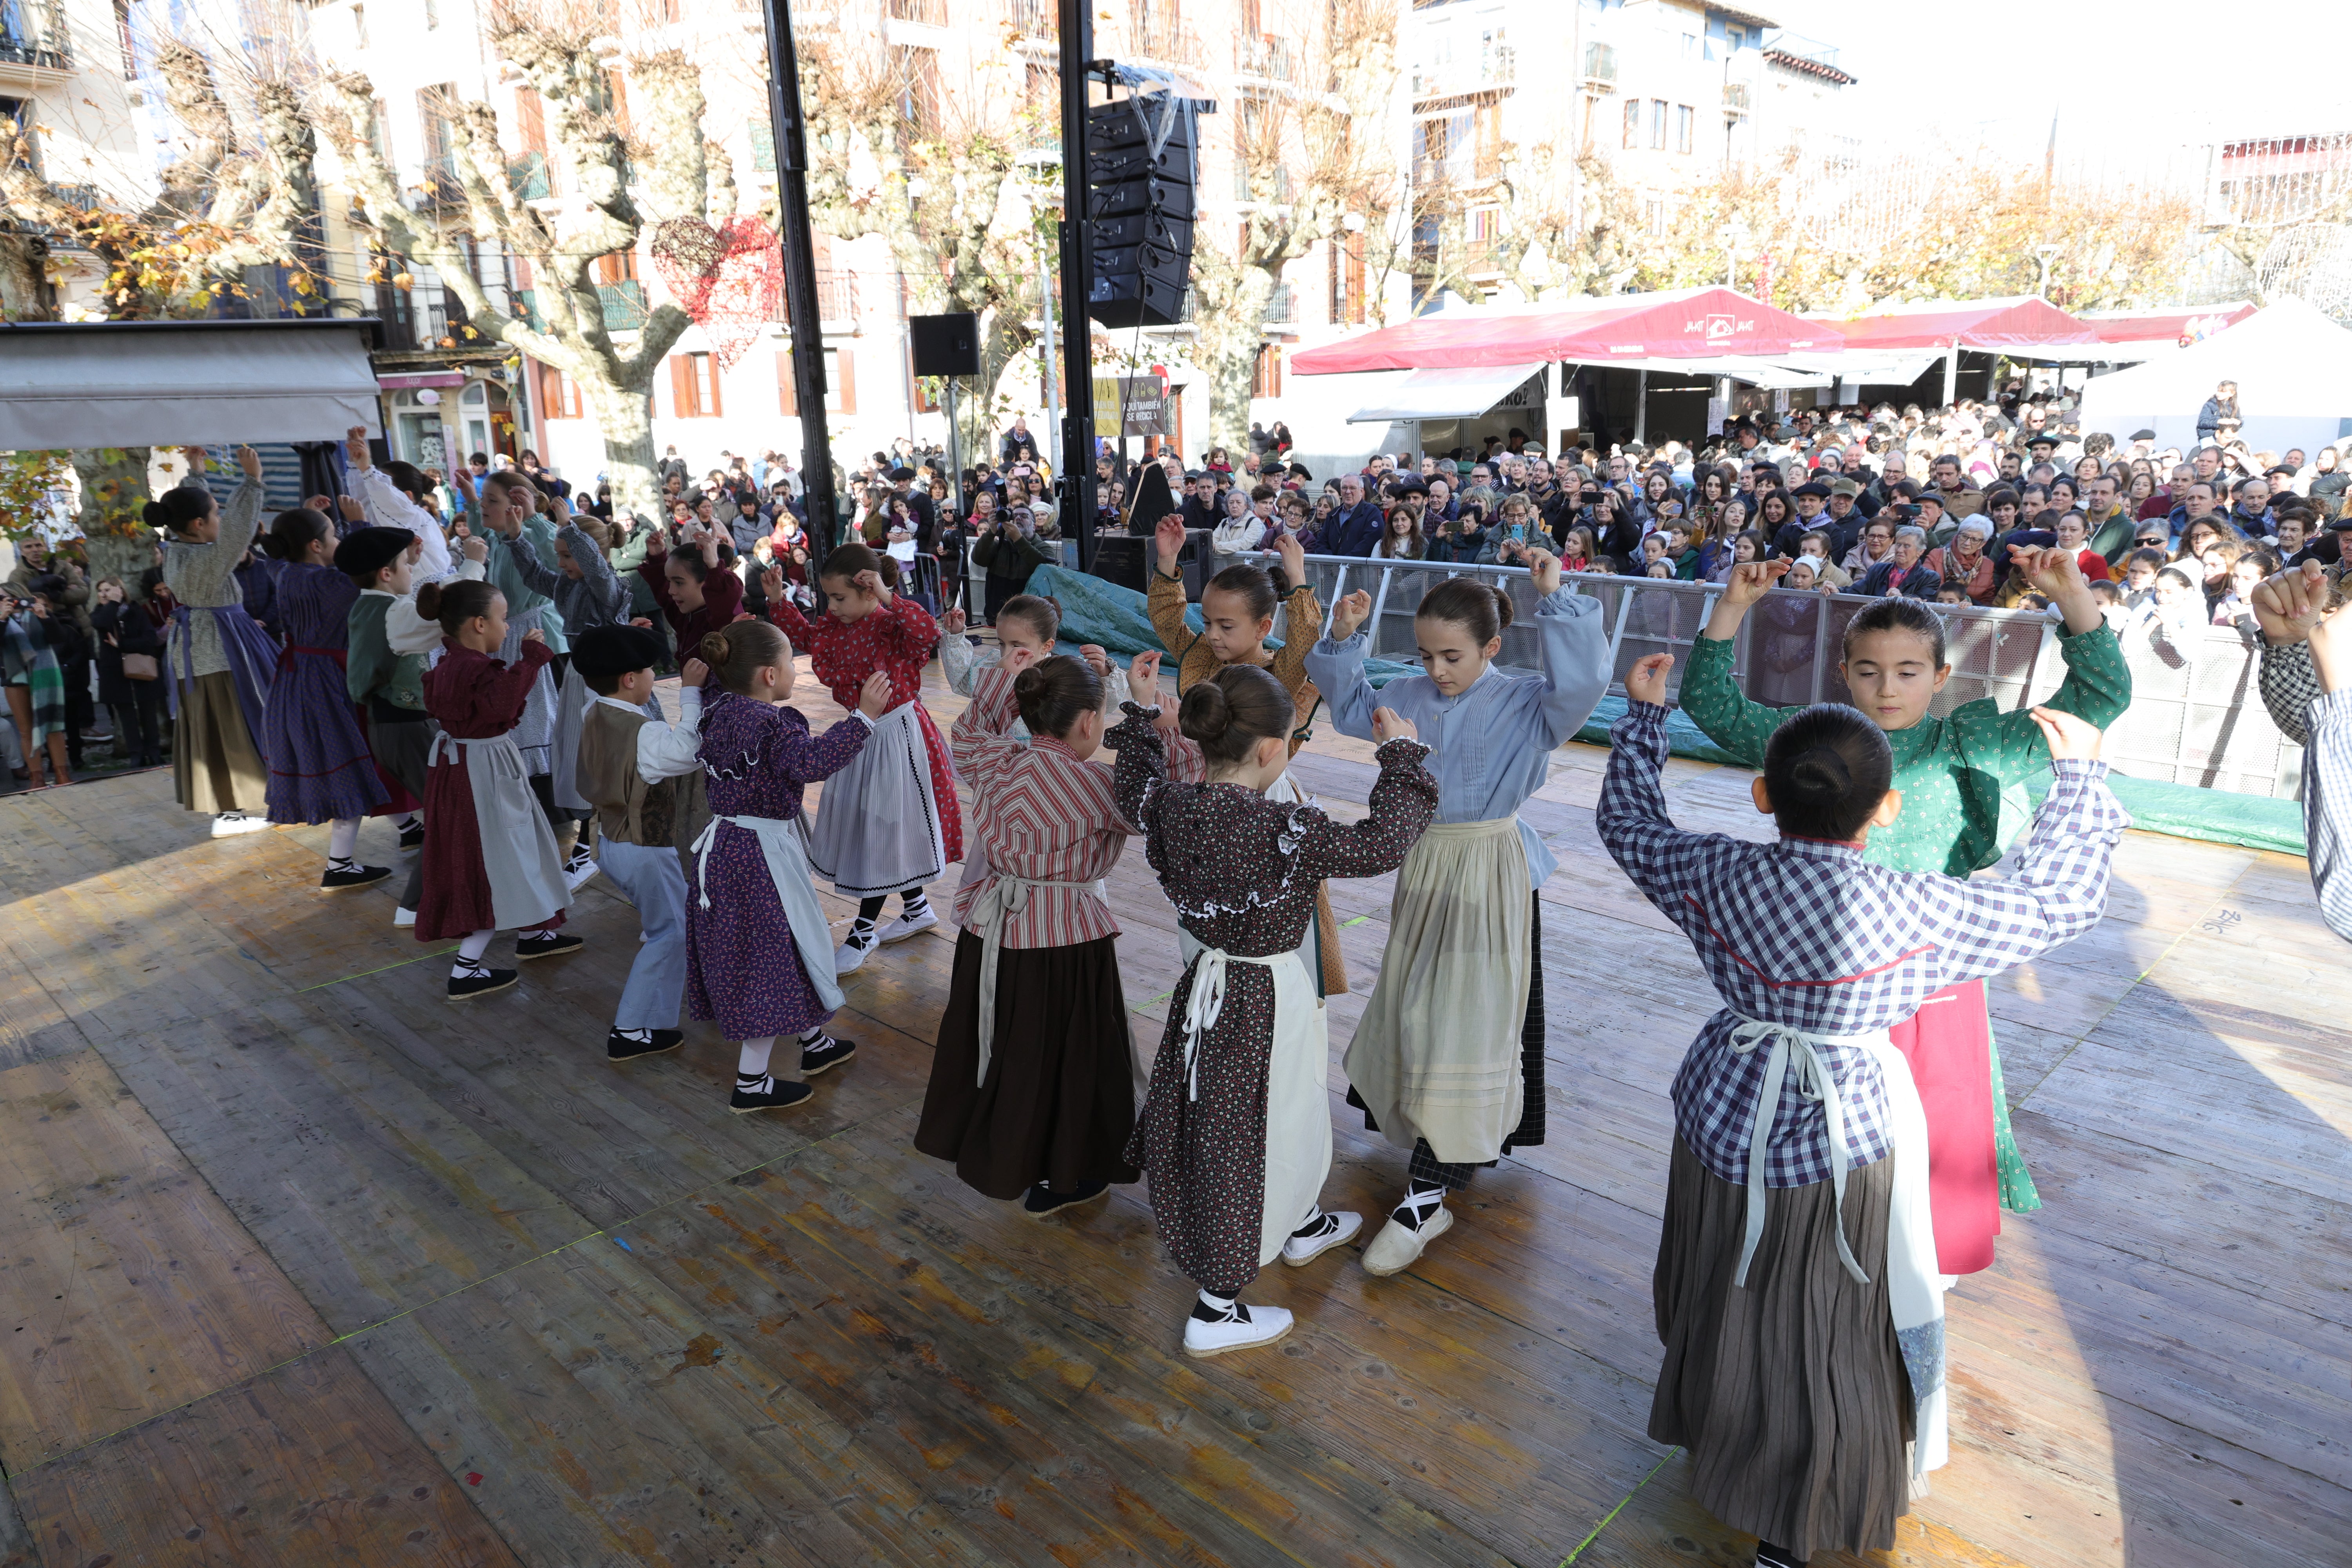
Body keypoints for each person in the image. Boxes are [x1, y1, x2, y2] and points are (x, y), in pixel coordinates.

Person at [1598, 655, 2125, 1566]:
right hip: (1846, 1137)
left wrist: (1644, 721)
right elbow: (2058, 899)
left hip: (1725, 1106)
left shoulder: (1717, 870)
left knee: (1725, 1281)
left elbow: (1631, 826)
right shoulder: (1917, 905)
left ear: (1763, 795)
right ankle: (1796, 1518)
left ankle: (1719, 1429)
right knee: (1824, 1320)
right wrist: (2079, 778)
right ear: (1884, 811)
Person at [1681, 556, 2129, 1272]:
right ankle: (1821, 1255)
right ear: (1843, 671)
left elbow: (2100, 695)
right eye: (1868, 671)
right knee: (1819, 1139)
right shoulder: (1814, 736)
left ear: (1941, 677)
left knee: (1936, 1120)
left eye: (1909, 672)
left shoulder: (1967, 741)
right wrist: (1732, 609)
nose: (1887, 689)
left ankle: (1924, 1274)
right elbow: (1714, 705)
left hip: (1933, 982)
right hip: (1825, 985)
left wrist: (2074, 597)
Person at [1111, 664, 1438, 1355]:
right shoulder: (1284, 826)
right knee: (1261, 1130)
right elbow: (1383, 844)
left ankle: (1297, 1222)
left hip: (1209, 982)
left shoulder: (1173, 806)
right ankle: (1217, 1307)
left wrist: (1140, 717)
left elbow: (1131, 793)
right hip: (1265, 996)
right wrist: (1402, 754)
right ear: (1269, 750)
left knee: (1246, 1121)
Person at [1306, 549, 1610, 1273]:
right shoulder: (1407, 693)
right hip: (1425, 865)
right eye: (1427, 654)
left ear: (1491, 649)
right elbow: (1353, 710)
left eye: (1453, 655)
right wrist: (1347, 641)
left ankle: (1430, 1191)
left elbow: (1586, 681)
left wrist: (1556, 598)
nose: (1438, 670)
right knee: (1421, 1005)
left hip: (1492, 872)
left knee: (1475, 1018)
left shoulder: (1530, 702)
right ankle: (1435, 1152)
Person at [915, 647, 1185, 1212]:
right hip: (1064, 939)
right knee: (1069, 1057)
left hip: (991, 929)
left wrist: (1004, 682)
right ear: (1090, 721)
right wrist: (1160, 720)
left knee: (1006, 1046)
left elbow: (966, 732)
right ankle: (1066, 1170)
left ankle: (1004, 1152)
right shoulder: (1097, 786)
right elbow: (1170, 801)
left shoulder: (995, 762)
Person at [686, 619, 887, 1111]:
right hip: (759, 857)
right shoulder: (770, 725)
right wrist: (862, 718)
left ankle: (814, 1042)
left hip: (727, 849)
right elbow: (812, 762)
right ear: (770, 676)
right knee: (768, 957)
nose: (795, 671)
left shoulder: (717, 708)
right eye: (790, 663)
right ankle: (752, 1084)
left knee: (786, 945)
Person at [1145, 522, 1347, 992]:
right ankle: (1214, 977)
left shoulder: (1283, 671)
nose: (1211, 635)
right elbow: (1170, 621)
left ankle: (1286, 988)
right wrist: (1168, 563)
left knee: (1277, 903)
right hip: (1211, 791)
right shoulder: (1199, 659)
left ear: (1263, 627)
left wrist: (1297, 578)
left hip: (1266, 796)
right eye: (1209, 621)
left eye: (1225, 626)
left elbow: (1305, 638)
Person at [766, 543, 962, 972]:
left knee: (881, 828)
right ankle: (915, 908)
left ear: (869, 591)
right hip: (861, 732)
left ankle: (862, 931)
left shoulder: (892, 623)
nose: (832, 608)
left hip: (898, 738)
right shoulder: (837, 626)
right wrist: (778, 602)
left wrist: (890, 595)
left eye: (840, 598)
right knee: (877, 823)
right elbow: (807, 637)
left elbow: (928, 634)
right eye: (829, 598)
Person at [413, 578, 581, 999]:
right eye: (503, 619)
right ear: (479, 624)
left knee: (523, 844)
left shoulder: (447, 663)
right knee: (498, 856)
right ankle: (466, 968)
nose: (508, 627)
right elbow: (501, 707)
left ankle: (536, 930)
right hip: (480, 771)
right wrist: (530, 662)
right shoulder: (473, 667)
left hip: (468, 766)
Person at [572, 624, 706, 1062]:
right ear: (631, 680)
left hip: (609, 842)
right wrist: (690, 693)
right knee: (670, 933)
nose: (653, 676)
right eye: (649, 670)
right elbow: (687, 751)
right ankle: (630, 1029)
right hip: (645, 848)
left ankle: (658, 1023)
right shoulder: (643, 733)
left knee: (664, 928)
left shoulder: (592, 711)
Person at [258, 506, 393, 889]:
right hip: (323, 683)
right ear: (316, 545)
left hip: (293, 680)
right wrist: (361, 525)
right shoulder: (329, 585)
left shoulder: (283, 571)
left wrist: (311, 519)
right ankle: (339, 864)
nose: (340, 542)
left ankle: (408, 825)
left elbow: (277, 554)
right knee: (345, 762)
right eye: (334, 536)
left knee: (354, 757)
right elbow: (369, 569)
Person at [154, 445, 277, 835]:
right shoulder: (202, 559)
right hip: (216, 651)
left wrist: (195, 471)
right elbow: (239, 532)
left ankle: (239, 807)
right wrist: (252, 482)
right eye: (215, 514)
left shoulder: (179, 546)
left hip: (219, 642)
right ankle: (232, 811)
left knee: (231, 720)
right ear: (198, 525)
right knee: (228, 722)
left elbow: (196, 515)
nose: (220, 518)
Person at [0, 588, 72, 789]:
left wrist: (44, 617)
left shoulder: (36, 612)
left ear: (17, 595)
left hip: (45, 675)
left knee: (54, 726)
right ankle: (37, 778)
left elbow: (59, 638)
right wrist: (3, 619)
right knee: (26, 731)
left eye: (7, 597)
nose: (6, 601)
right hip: (15, 678)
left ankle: (62, 774)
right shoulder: (1, 619)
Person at [91, 577, 165, 768]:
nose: (104, 594)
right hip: (114, 671)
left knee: (148, 712)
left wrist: (123, 645)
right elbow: (102, 624)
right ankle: (136, 755)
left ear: (121, 591)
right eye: (101, 591)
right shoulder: (99, 613)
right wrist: (113, 604)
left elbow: (149, 639)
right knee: (126, 714)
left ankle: (154, 752)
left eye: (109, 590)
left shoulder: (136, 611)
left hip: (141, 666)